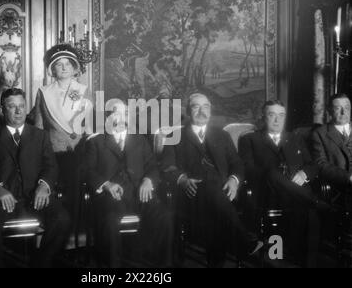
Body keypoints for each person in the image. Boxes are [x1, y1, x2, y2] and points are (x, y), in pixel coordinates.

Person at [161, 93, 262, 267]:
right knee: (210, 187)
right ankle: (245, 242)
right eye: (196, 107)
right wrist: (183, 180)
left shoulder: (221, 135)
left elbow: (237, 163)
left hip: (223, 193)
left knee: (216, 200)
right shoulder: (174, 135)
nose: (202, 111)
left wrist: (233, 180)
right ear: (187, 111)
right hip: (190, 195)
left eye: (206, 106)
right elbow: (167, 167)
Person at [0, 88, 71, 268]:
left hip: (34, 198)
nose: (18, 111)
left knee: (62, 218)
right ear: (3, 109)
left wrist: (44, 186)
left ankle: (40, 263)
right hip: (2, 200)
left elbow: (51, 166)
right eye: (12, 106)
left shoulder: (40, 136)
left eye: (22, 106)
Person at [86, 101, 173, 268]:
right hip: (111, 196)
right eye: (115, 113)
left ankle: (164, 269)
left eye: (125, 113)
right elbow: (87, 170)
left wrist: (148, 180)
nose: (121, 118)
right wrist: (106, 184)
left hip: (140, 193)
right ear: (108, 117)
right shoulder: (96, 141)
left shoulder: (139, 140)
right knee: (110, 221)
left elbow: (153, 166)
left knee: (165, 217)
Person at [238, 100, 324, 267]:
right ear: (263, 117)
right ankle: (316, 201)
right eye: (272, 115)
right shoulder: (250, 139)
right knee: (271, 173)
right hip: (267, 193)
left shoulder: (295, 138)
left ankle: (307, 263)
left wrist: (304, 173)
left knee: (310, 216)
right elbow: (247, 169)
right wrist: (272, 177)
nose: (277, 120)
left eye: (281, 115)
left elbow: (313, 164)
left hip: (296, 194)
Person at [30, 44, 92, 228]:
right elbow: (39, 127)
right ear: (52, 69)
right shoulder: (44, 92)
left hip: (78, 150)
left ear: (74, 68)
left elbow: (88, 126)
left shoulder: (82, 90)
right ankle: (60, 229)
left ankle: (77, 229)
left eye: (67, 64)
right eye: (59, 64)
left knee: (78, 185)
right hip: (53, 152)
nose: (64, 67)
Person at [311, 94, 352, 208]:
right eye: (338, 108)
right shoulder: (320, 133)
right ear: (329, 110)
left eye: (347, 108)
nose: (344, 112)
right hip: (339, 189)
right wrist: (348, 177)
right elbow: (320, 164)